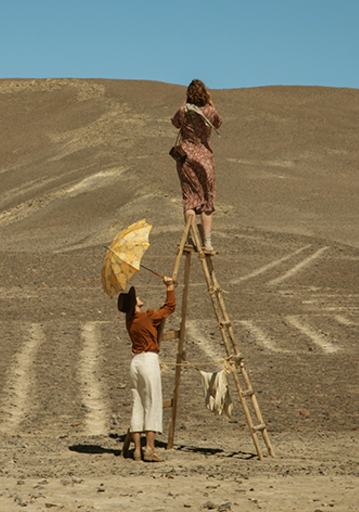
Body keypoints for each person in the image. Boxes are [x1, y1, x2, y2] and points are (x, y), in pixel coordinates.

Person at [117, 275, 176, 462]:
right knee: (153, 403)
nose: (139, 297)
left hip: (135, 362)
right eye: (136, 297)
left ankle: (136, 450)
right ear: (134, 304)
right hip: (149, 360)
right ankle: (150, 449)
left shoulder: (131, 321)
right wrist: (169, 287)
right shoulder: (147, 316)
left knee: (138, 403)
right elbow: (169, 308)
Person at [170, 79, 223, 251]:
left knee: (190, 200)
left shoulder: (183, 111)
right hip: (205, 159)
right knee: (207, 201)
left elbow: (175, 122)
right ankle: (207, 242)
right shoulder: (210, 111)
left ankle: (191, 239)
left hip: (186, 159)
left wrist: (186, 103)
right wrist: (210, 101)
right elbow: (218, 123)